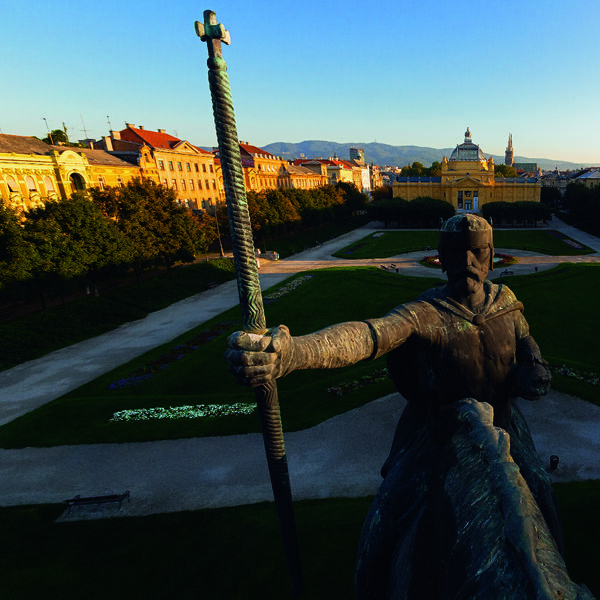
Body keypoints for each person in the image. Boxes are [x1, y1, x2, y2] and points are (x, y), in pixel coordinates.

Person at [225, 214, 559, 597]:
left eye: (477, 252)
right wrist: (293, 353)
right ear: (442, 258)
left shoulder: (507, 303)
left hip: (503, 427)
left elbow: (526, 342)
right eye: (456, 253)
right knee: (381, 528)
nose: (467, 262)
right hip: (438, 437)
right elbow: (370, 336)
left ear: (491, 255)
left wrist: (535, 367)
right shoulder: (425, 314)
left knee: (542, 495)